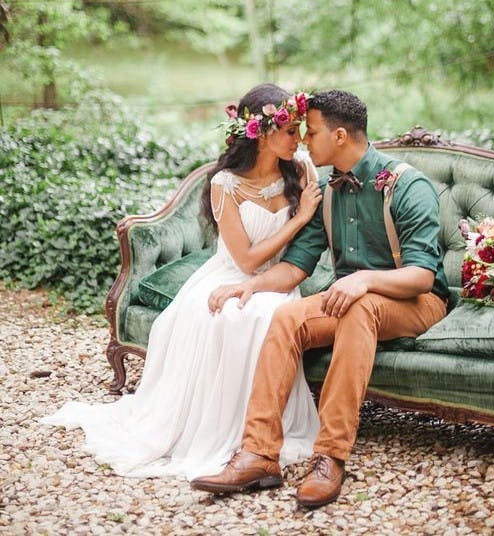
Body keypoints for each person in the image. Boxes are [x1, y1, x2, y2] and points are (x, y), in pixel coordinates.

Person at [41, 83, 322, 479]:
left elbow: (289, 254)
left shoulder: (302, 167)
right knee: (226, 314)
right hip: (232, 273)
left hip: (278, 278)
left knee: (262, 316)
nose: (299, 138)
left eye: (298, 130)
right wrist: (298, 218)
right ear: (262, 134)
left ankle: (260, 431)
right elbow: (244, 259)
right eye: (291, 131)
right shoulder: (225, 184)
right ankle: (222, 430)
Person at [191, 90, 449, 507]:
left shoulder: (406, 184)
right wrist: (249, 286)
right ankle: (258, 454)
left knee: (359, 305)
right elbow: (296, 267)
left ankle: (329, 456)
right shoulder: (326, 189)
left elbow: (422, 277)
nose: (304, 143)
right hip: (351, 303)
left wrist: (364, 279)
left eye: (310, 133)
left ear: (341, 136)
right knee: (287, 317)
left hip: (416, 304)